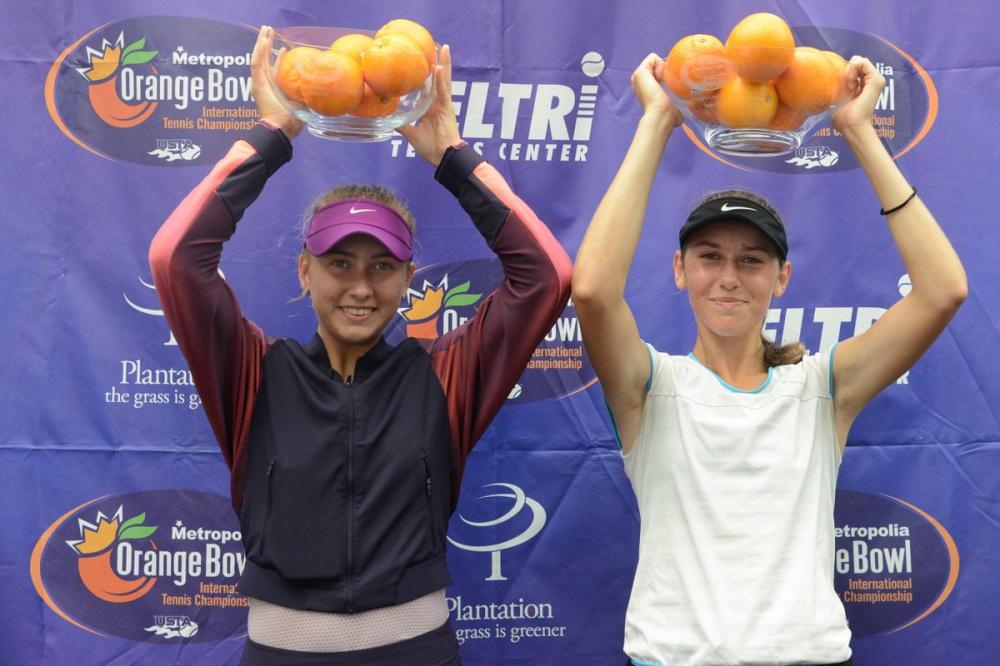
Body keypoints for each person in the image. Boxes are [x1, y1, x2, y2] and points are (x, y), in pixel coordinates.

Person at [149, 26, 571, 666]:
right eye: (339, 263)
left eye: (382, 267)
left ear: (408, 277)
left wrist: (451, 155)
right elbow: (175, 259)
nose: (360, 286)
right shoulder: (255, 374)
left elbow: (548, 276)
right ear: (304, 272)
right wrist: (273, 136)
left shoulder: (444, 377)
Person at [572, 53, 966, 666]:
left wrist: (859, 130)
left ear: (782, 277)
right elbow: (593, 291)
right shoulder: (650, 386)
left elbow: (943, 290)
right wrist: (657, 121)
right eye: (710, 256)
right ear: (680, 270)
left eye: (752, 260)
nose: (729, 278)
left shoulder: (820, 389)